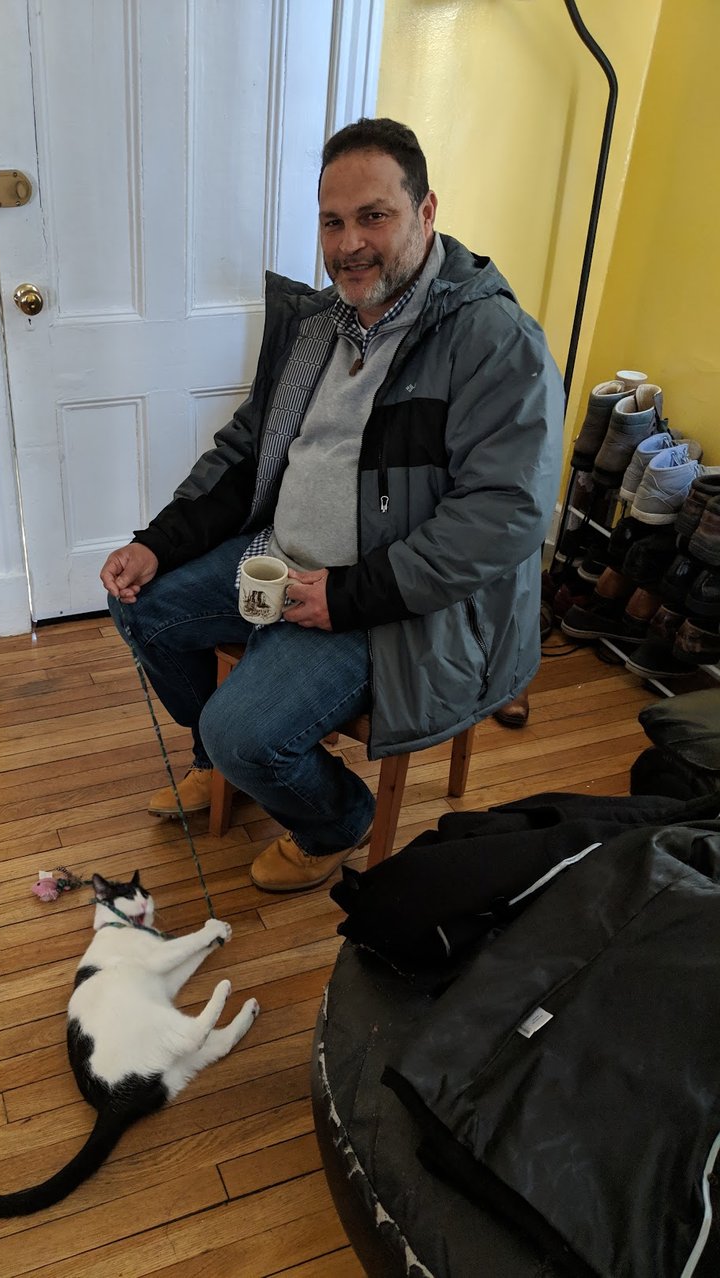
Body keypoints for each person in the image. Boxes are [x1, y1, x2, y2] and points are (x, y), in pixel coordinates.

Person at [101, 118, 563, 893]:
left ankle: (334, 820)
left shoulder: (494, 341)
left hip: (390, 602)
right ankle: (226, 770)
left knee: (240, 727)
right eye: (332, 221)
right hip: (280, 560)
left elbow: (505, 514)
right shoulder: (319, 324)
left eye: (373, 216)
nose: (349, 243)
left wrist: (350, 595)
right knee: (140, 603)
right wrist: (161, 540)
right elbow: (247, 451)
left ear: (425, 213)